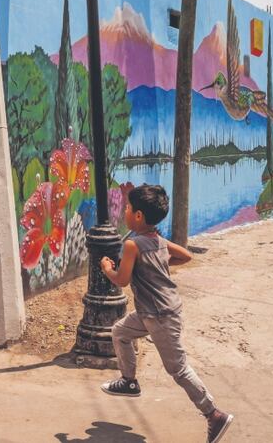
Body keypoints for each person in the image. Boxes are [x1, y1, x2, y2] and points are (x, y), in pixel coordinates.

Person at [99, 184, 234, 443]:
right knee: (120, 332)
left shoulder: (132, 245)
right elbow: (186, 256)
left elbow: (122, 280)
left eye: (127, 208)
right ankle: (129, 381)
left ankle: (213, 414)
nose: (125, 212)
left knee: (178, 369)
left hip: (160, 316)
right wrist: (159, 261)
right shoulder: (157, 240)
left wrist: (106, 267)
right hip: (151, 313)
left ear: (138, 215)